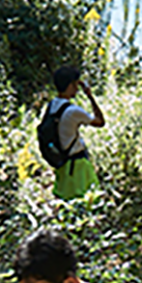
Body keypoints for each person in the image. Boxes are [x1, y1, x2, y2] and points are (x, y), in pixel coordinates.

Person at [46, 64, 106, 201]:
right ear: (71, 85)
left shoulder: (52, 106)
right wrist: (90, 96)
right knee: (88, 204)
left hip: (62, 165)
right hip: (78, 167)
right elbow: (100, 121)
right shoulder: (73, 111)